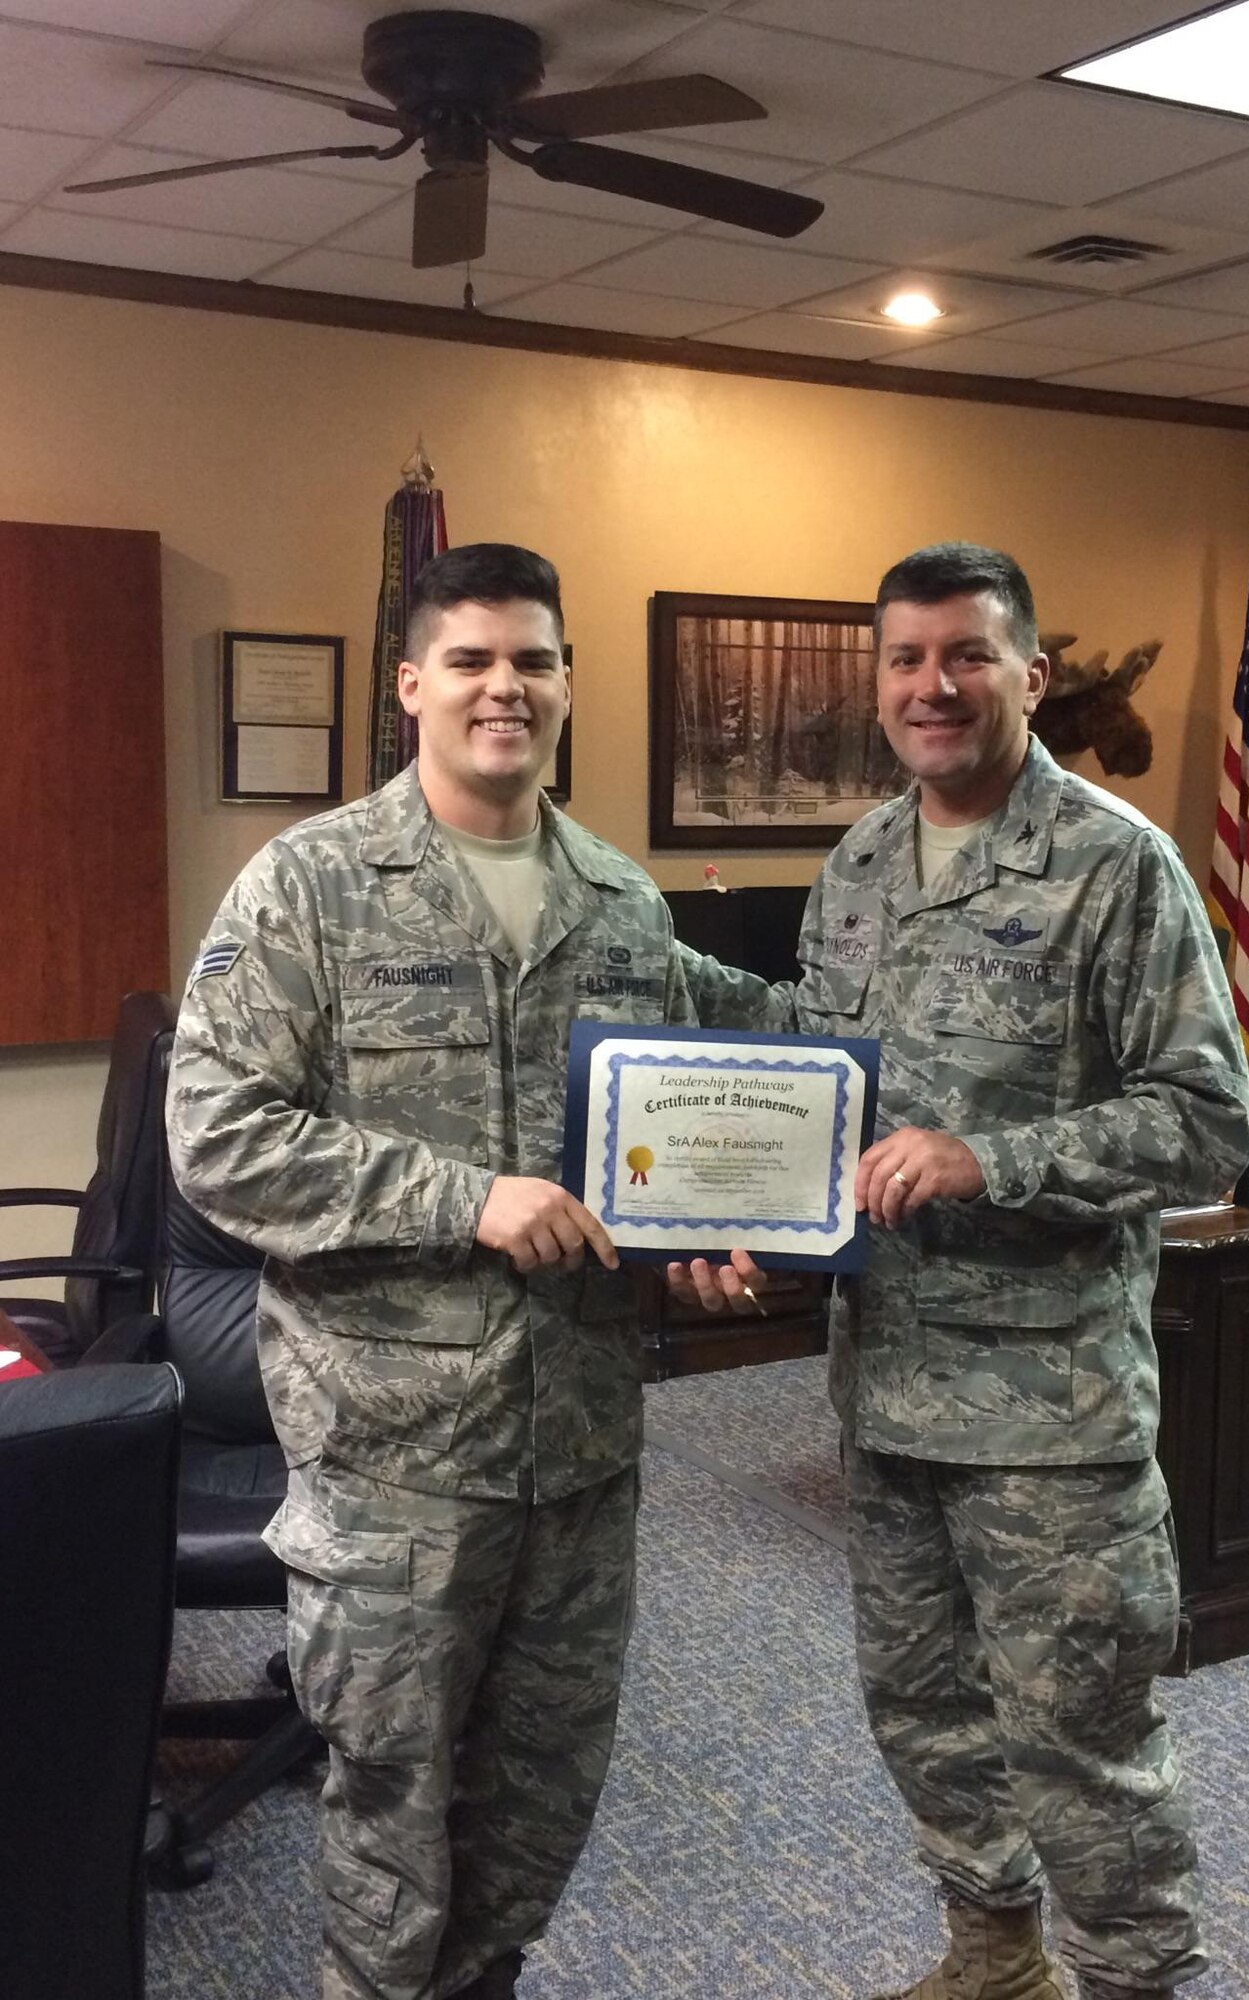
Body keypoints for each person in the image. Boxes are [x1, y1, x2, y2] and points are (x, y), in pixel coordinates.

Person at [673, 542, 1249, 2000]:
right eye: (907, 660)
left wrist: (996, 1157)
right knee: (924, 1709)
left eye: (967, 655)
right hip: (889, 1388)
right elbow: (821, 1081)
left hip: (1049, 1414)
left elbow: (1205, 1128)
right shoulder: (861, 864)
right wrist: (749, 1205)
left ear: (1030, 675)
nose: (934, 685)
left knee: (1083, 1739)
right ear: (880, 687)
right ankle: (994, 1956)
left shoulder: (1119, 865)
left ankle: (1131, 1978)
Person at [168, 543, 697, 2000]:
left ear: (568, 682)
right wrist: (464, 1198)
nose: (503, 689)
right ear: (411, 684)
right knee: (395, 1835)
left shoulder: (622, 905)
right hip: (395, 1469)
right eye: (469, 660)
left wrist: (715, 1221)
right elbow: (216, 1142)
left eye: (532, 659)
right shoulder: (313, 887)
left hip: (581, 1456)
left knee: (535, 1818)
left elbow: (676, 1121)